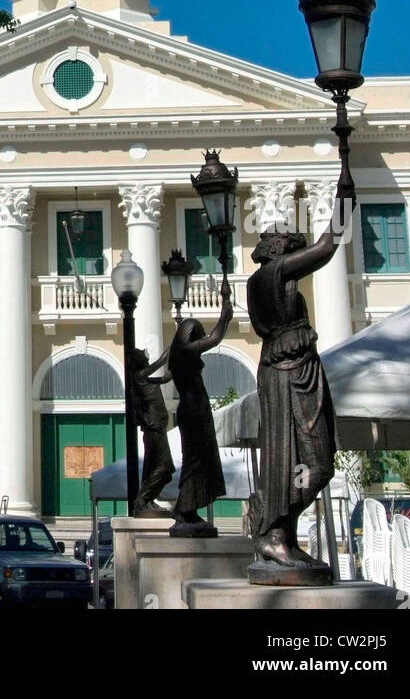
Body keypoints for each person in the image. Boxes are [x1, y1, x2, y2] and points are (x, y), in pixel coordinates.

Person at [247, 223, 337, 571]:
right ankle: (274, 533)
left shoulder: (272, 277)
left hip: (294, 368)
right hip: (288, 373)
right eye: (289, 240)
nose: (295, 245)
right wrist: (344, 201)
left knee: (305, 461)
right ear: (275, 247)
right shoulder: (272, 274)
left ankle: (282, 535)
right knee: (313, 464)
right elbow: (327, 247)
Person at [166, 279, 233, 534]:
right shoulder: (185, 351)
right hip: (194, 410)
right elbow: (215, 338)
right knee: (196, 460)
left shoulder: (177, 352)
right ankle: (184, 508)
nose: (201, 339)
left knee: (198, 460)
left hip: (193, 409)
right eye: (198, 334)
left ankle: (189, 509)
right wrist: (225, 313)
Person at [130, 347, 175, 516]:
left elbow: (165, 377)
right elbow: (161, 361)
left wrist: (177, 365)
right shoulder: (140, 376)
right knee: (163, 467)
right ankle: (142, 500)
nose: (145, 355)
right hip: (154, 429)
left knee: (161, 469)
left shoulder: (147, 379)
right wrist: (175, 344)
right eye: (142, 354)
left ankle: (148, 500)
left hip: (159, 429)